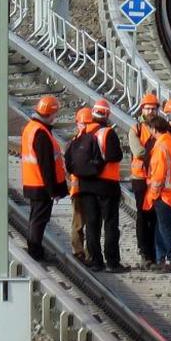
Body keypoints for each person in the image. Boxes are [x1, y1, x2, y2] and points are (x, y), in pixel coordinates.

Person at [77, 98, 126, 273]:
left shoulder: (83, 132)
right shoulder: (107, 133)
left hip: (86, 185)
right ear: (107, 114)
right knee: (110, 224)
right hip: (107, 186)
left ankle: (96, 261)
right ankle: (112, 262)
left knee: (92, 224)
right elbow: (115, 156)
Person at [21, 95, 68, 262]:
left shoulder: (31, 128)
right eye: (55, 114)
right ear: (50, 113)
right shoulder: (41, 133)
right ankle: (35, 251)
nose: (56, 117)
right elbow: (46, 165)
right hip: (40, 185)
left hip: (33, 181)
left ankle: (35, 248)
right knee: (39, 220)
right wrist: (52, 190)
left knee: (36, 218)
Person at [142, 115, 171, 273]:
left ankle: (170, 259)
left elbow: (158, 175)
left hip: (164, 194)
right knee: (164, 227)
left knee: (165, 228)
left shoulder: (161, 147)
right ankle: (163, 258)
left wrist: (153, 194)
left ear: (154, 129)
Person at [129, 93, 159, 267]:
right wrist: (159, 154)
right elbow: (138, 151)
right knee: (143, 215)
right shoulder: (136, 129)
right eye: (148, 108)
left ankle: (153, 252)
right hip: (140, 178)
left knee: (154, 216)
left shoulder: (161, 127)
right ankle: (144, 252)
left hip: (156, 177)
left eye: (153, 108)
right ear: (142, 109)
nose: (151, 111)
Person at [66, 107, 93, 263]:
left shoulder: (76, 143)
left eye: (87, 124)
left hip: (85, 189)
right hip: (79, 189)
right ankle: (79, 252)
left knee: (88, 223)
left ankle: (86, 253)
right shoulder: (76, 143)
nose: (85, 127)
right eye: (83, 124)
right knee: (79, 223)